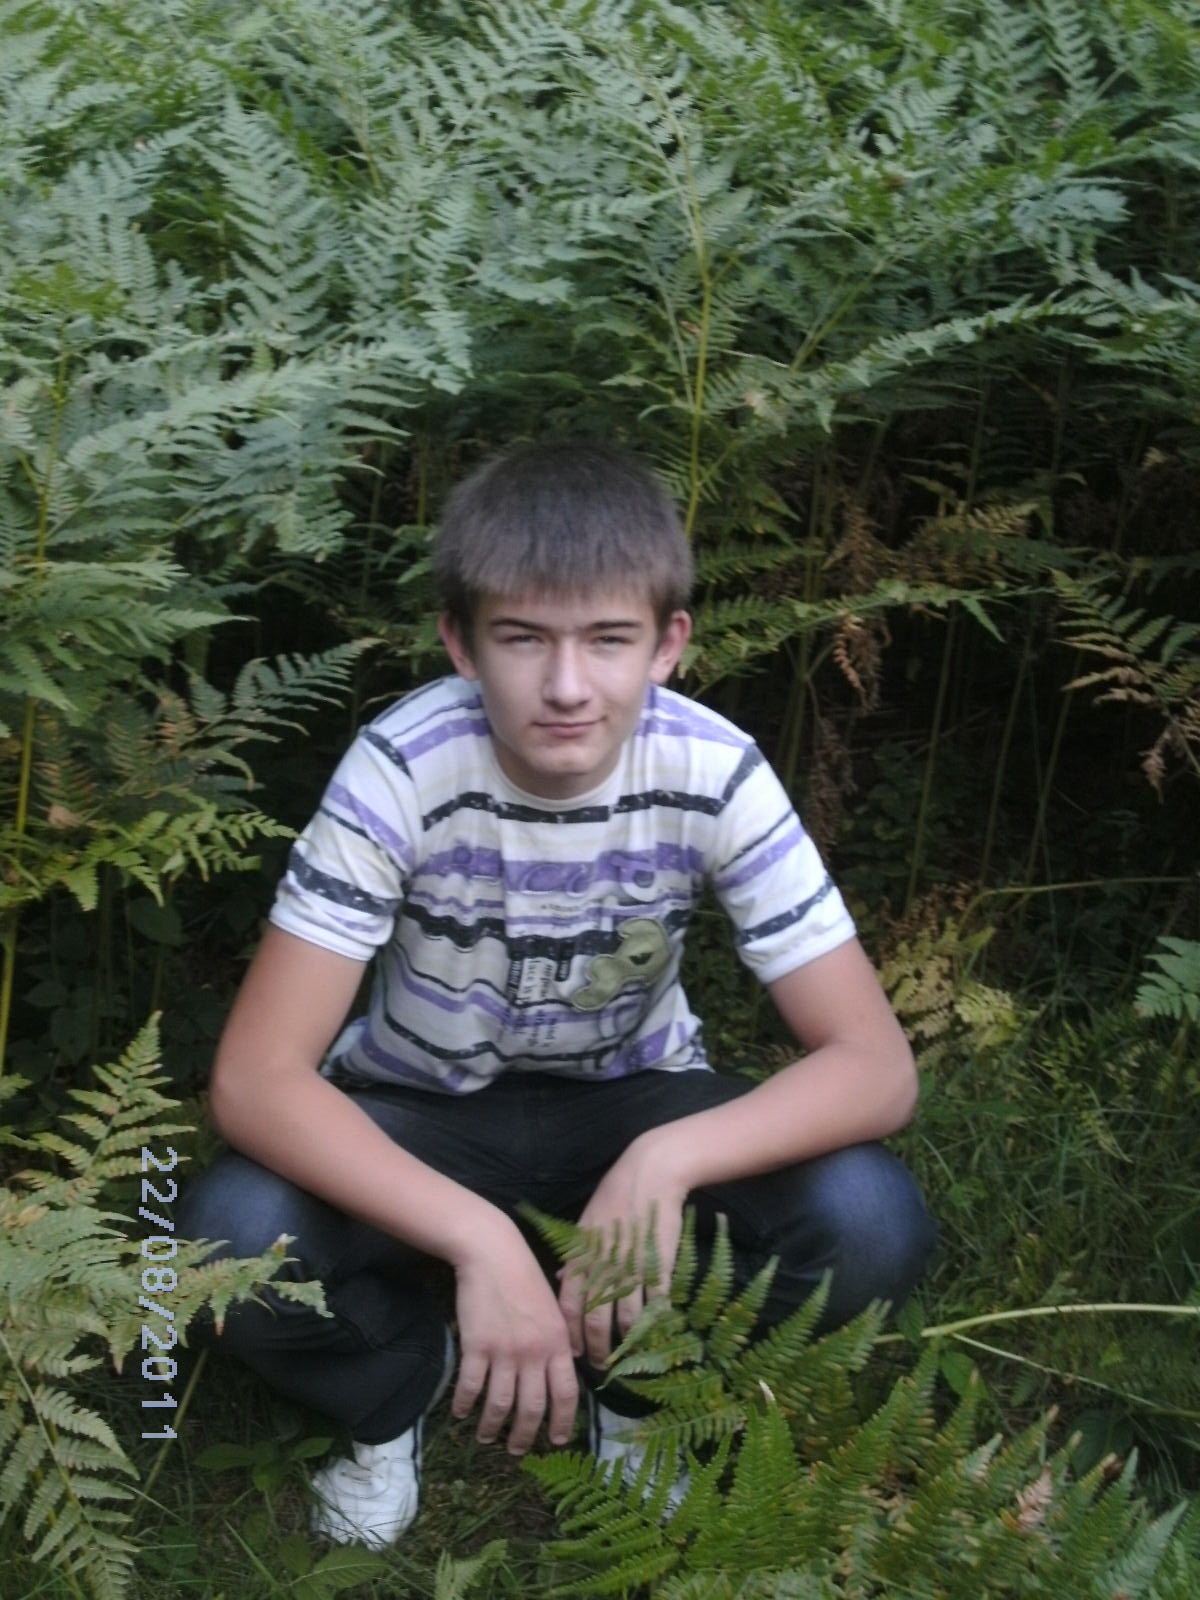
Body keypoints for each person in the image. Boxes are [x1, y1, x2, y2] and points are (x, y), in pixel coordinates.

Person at [178, 440, 935, 1548]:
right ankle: (400, 1376)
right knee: (220, 1241)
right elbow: (254, 1081)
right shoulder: (401, 766)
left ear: (668, 644)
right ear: (461, 642)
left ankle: (644, 1385)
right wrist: (478, 1239)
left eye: (609, 639)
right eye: (524, 638)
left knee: (871, 1220)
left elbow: (876, 1068)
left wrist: (663, 1162)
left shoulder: (715, 767)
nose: (568, 685)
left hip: (634, 1099)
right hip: (419, 1109)